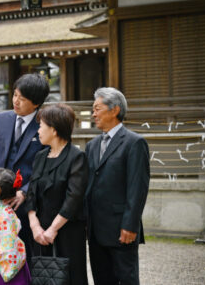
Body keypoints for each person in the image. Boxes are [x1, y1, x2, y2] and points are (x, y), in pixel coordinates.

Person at [0, 72, 50, 265]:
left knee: (25, 256)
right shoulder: (1, 119)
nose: (16, 101)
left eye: (23, 98)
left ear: (36, 103)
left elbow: (44, 166)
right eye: (15, 95)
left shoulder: (45, 125)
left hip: (25, 203)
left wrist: (24, 192)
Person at [85, 87, 150, 285]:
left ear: (114, 110)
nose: (93, 114)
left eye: (97, 108)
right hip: (95, 229)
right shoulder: (92, 145)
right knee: (101, 279)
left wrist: (130, 225)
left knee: (127, 279)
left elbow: (137, 188)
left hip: (121, 229)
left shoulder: (134, 143)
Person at [25, 104, 88, 285]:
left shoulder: (76, 157)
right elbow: (31, 192)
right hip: (40, 232)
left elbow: (73, 198)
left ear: (53, 129)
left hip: (66, 231)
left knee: (69, 277)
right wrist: (35, 225)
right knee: (42, 278)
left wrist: (53, 229)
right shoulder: (40, 156)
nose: (38, 130)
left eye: (41, 125)